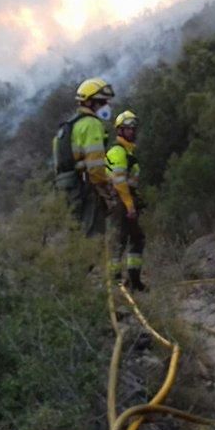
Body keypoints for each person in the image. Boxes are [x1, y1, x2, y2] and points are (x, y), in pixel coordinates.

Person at [53, 78, 116, 237]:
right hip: (86, 187)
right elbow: (95, 165)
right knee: (93, 237)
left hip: (66, 189)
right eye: (101, 102)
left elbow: (58, 164)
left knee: (75, 237)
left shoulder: (67, 126)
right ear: (89, 103)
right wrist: (105, 188)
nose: (105, 106)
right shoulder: (91, 124)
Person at [107, 110, 147, 291]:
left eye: (133, 128)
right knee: (120, 239)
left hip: (126, 200)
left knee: (136, 238)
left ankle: (133, 280)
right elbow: (119, 182)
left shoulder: (128, 152)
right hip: (120, 201)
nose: (132, 131)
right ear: (119, 130)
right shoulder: (118, 151)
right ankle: (116, 283)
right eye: (128, 128)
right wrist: (130, 205)